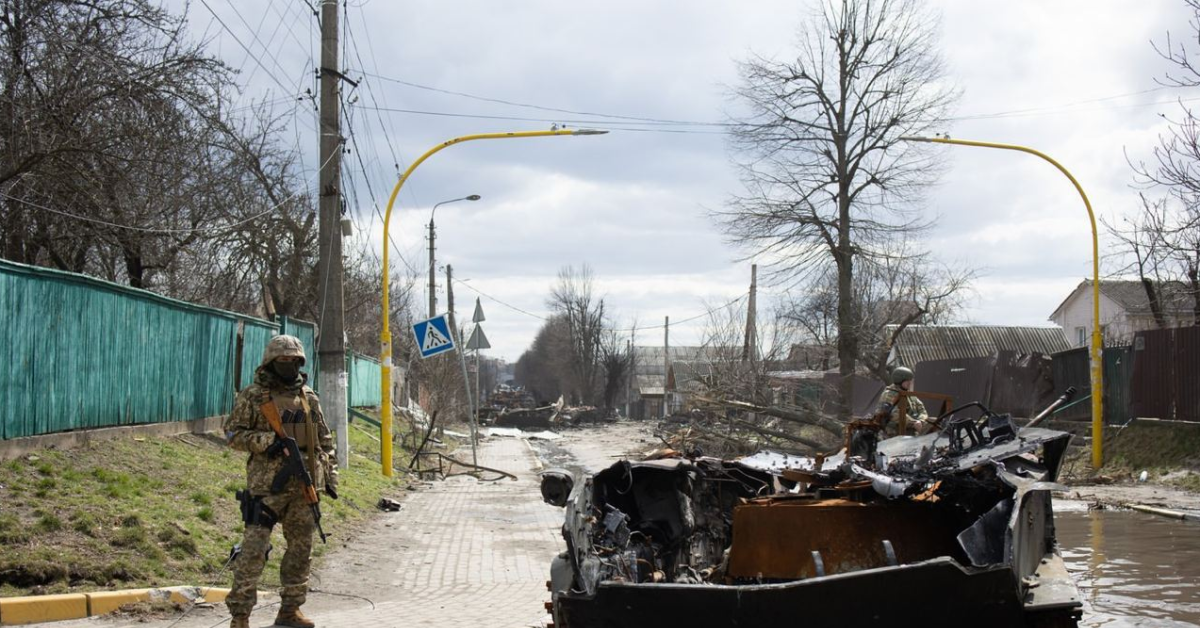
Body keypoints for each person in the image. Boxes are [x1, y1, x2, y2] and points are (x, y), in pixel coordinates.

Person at [222, 335, 337, 628]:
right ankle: (240, 616)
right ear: (271, 362)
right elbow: (232, 434)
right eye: (282, 360)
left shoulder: (308, 397)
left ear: (300, 362)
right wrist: (266, 441)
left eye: (293, 360)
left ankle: (290, 610)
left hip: (302, 488)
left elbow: (324, 441)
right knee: (252, 553)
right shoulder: (254, 396)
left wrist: (329, 476)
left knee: (301, 551)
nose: (288, 365)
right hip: (265, 488)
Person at [876, 366, 931, 435]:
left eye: (910, 380)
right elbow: (893, 414)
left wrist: (920, 421)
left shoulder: (910, 395)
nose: (910, 383)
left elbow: (922, 410)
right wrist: (913, 422)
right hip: (893, 434)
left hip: (911, 433)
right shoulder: (889, 394)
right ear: (899, 380)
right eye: (907, 381)